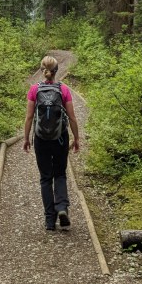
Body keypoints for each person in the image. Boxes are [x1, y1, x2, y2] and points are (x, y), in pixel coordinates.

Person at [23, 55, 80, 231]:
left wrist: (26, 138)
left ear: (42, 70)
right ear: (56, 71)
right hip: (60, 138)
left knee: (46, 178)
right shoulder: (63, 90)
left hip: (41, 139)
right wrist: (76, 138)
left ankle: (49, 220)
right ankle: (62, 208)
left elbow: (29, 117)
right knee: (60, 174)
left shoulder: (34, 90)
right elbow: (72, 117)